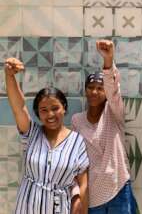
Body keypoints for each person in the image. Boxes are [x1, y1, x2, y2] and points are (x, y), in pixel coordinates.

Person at [4, 57, 89, 214]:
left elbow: (83, 183)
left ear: (64, 108)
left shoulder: (77, 141)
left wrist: (81, 207)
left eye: (55, 108)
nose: (50, 114)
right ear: (38, 113)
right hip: (27, 207)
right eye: (44, 110)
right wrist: (9, 75)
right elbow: (18, 106)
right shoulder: (31, 133)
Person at [71, 40, 137, 214]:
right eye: (90, 87)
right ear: (85, 90)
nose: (94, 92)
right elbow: (76, 158)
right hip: (92, 192)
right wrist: (76, 193)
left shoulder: (114, 113)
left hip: (119, 186)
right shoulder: (77, 120)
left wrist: (108, 60)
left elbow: (113, 88)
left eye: (100, 88)